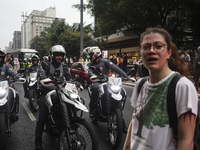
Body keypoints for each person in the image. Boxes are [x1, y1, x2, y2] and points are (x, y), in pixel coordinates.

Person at [123, 27, 198, 150]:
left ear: (169, 52)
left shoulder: (182, 86)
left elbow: (186, 140)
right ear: (141, 52)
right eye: (146, 47)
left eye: (158, 46)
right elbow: (135, 121)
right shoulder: (140, 84)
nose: (151, 51)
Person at [35, 45, 73, 150]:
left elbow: (69, 78)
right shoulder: (45, 65)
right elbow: (42, 77)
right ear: (52, 55)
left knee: (72, 103)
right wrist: (47, 82)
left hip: (60, 92)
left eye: (61, 55)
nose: (59, 57)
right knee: (42, 115)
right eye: (57, 55)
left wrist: (74, 84)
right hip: (46, 93)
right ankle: (38, 140)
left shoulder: (64, 66)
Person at [83, 46, 128, 133]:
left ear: (95, 54)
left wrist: (125, 75)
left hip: (108, 82)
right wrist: (92, 75)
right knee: (95, 87)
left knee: (119, 92)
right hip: (98, 82)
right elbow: (89, 72)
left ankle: (122, 124)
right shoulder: (91, 64)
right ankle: (92, 107)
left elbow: (116, 68)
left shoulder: (105, 61)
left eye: (91, 54)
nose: (90, 56)